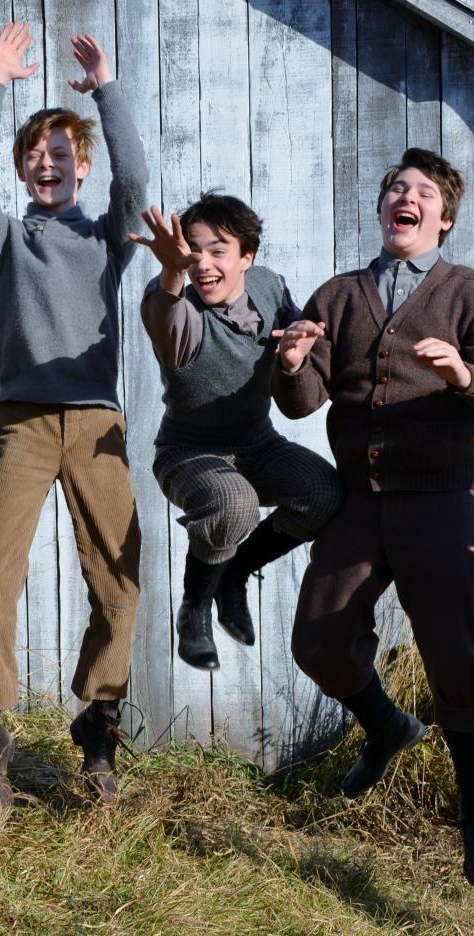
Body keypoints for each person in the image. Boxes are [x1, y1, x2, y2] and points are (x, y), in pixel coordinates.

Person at [273, 147, 474, 890]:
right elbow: (302, 402)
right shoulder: (337, 296)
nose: (405, 198)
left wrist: (466, 375)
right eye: (395, 188)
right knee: (318, 639)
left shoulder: (471, 294)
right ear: (383, 207)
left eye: (422, 193)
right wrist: (290, 363)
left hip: (442, 500)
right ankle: (385, 726)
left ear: (443, 219)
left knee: (456, 658)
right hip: (359, 500)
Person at [0, 22, 148, 808]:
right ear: (23, 170)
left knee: (119, 579)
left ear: (82, 166)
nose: (47, 162)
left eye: (61, 152)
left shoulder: (107, 239)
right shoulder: (7, 239)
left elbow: (137, 178)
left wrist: (105, 90)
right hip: (26, 423)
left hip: (97, 426)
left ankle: (98, 725)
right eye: (35, 154)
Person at [131, 195, 341, 671]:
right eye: (193, 250)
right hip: (188, 452)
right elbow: (165, 315)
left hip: (258, 444)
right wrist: (171, 272)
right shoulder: (178, 309)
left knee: (324, 493)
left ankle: (234, 574)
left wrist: (296, 350)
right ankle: (195, 609)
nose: (202, 263)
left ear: (247, 257)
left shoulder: (269, 286)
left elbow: (299, 346)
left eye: (218, 250)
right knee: (233, 502)